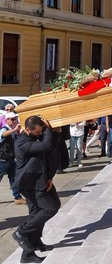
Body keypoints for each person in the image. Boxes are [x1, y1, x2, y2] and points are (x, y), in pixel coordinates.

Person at [13, 115, 60, 263]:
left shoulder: (34, 137)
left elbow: (49, 149)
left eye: (41, 131)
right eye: (38, 132)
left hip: (41, 179)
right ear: (28, 129)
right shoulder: (22, 143)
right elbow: (45, 146)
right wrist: (46, 130)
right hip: (30, 184)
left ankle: (32, 246)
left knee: (37, 213)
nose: (41, 133)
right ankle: (22, 232)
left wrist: (53, 132)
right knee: (50, 208)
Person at [0, 112, 26, 204]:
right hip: (2, 159)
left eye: (15, 119)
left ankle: (17, 197)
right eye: (12, 119)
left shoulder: (13, 130)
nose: (14, 121)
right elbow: (3, 135)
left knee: (14, 178)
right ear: (7, 120)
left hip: (10, 159)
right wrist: (14, 129)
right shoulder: (5, 129)